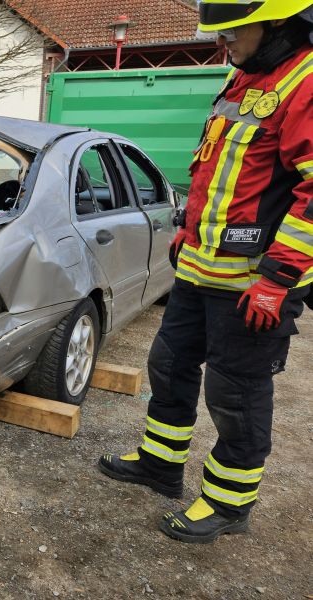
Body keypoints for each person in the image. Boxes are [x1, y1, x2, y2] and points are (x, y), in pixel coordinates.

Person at [99, 0, 313, 544]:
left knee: (234, 394)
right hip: (199, 270)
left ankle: (228, 504)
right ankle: (161, 466)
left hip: (253, 285)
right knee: (168, 366)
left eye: (232, 31)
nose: (224, 42)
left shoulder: (304, 83)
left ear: (277, 24)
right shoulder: (243, 80)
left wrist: (278, 278)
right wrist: (187, 231)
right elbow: (220, 173)